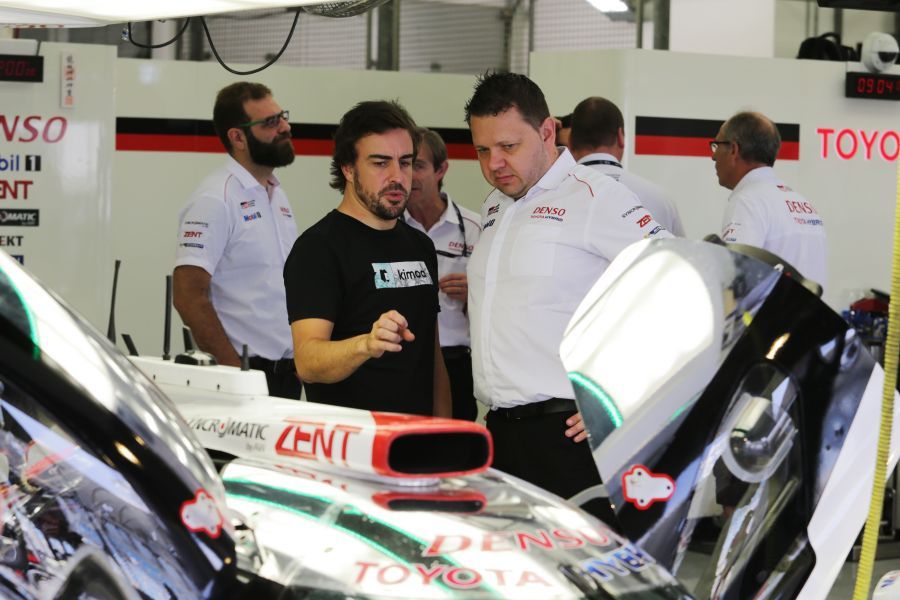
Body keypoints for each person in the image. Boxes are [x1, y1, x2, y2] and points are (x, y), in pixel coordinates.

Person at [464, 72, 670, 516]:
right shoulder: (496, 204)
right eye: (483, 149)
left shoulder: (598, 198)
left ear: (547, 131)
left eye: (508, 147)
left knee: (580, 582)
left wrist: (625, 394)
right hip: (501, 434)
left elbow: (679, 291)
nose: (494, 163)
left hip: (571, 437)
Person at [284, 101, 451, 417]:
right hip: (351, 450)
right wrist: (367, 345)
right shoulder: (318, 248)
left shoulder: (420, 245)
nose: (397, 177)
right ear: (348, 168)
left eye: (405, 162)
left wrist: (446, 434)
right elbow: (307, 361)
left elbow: (433, 355)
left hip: (418, 447)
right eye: (380, 163)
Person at [173, 82, 301, 399]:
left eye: (282, 117)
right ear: (238, 137)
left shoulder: (276, 193)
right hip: (244, 375)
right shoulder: (216, 198)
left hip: (288, 372)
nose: (285, 127)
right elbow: (188, 296)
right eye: (270, 122)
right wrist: (234, 376)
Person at [403, 128, 481, 421]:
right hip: (403, 361)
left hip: (456, 362)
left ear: (441, 169)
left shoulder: (476, 227)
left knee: (455, 453)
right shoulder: (387, 229)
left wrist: (474, 292)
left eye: (418, 165)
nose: (409, 176)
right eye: (405, 165)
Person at [712, 111, 827, 288]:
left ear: (734, 149)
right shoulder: (803, 203)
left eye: (716, 145)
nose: (713, 156)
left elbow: (736, 278)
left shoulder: (747, 201)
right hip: (809, 314)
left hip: (770, 314)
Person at [569, 96, 685, 236]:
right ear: (620, 136)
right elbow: (679, 254)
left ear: (570, 140)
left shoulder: (547, 197)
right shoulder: (661, 200)